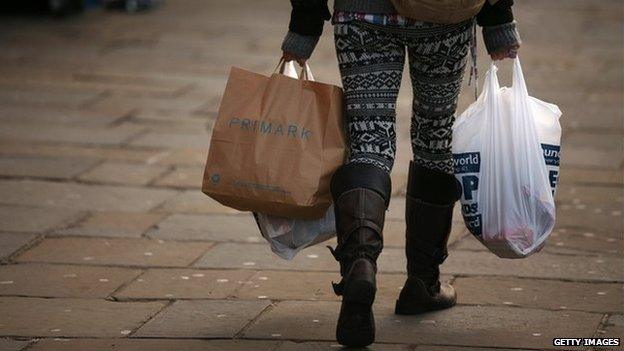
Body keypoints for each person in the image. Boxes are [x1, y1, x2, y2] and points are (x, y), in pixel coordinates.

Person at [282, 0, 520, 347]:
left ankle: (360, 264)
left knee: (368, 141)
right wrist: (498, 19)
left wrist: (304, 24)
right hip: (443, 18)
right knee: (435, 139)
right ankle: (422, 283)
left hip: (362, 14)